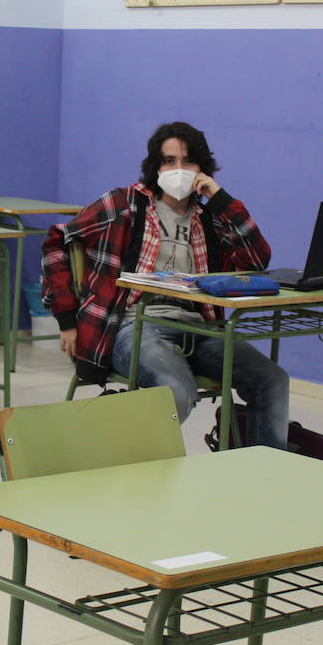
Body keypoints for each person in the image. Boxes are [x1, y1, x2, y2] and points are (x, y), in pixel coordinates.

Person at [40, 121, 289, 448]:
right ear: (155, 166)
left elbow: (257, 261)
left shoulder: (209, 218)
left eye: (187, 162)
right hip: (135, 325)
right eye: (169, 161)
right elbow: (57, 240)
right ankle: (123, 468)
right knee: (176, 389)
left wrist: (222, 201)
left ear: (203, 169)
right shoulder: (124, 204)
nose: (178, 170)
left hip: (199, 328)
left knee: (272, 380)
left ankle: (263, 475)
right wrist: (66, 320)